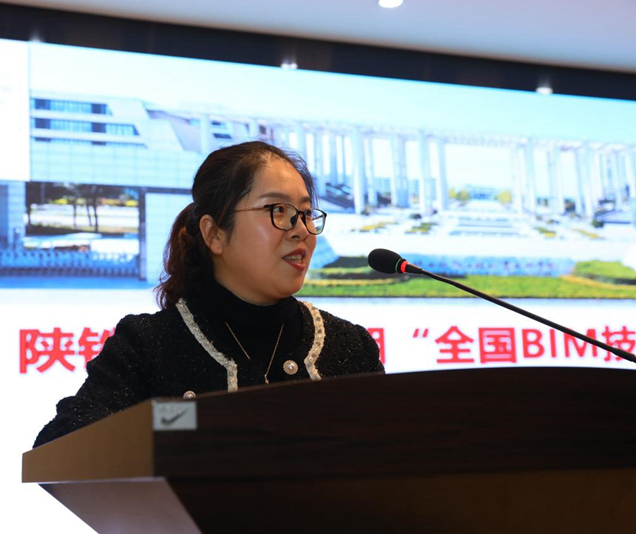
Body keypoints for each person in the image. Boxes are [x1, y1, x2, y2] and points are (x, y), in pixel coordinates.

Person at [34, 141, 384, 447]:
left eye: (306, 213)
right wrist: (182, 423)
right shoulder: (149, 346)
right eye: (278, 210)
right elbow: (64, 443)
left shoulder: (349, 345)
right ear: (215, 234)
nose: (301, 230)